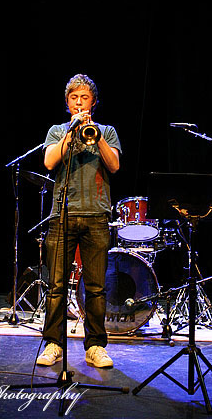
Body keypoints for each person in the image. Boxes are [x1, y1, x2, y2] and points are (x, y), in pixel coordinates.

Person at [37, 74, 121, 369]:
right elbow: (48, 162)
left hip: (97, 215)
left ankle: (95, 346)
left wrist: (95, 136)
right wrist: (71, 134)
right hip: (61, 215)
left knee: (96, 287)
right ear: (67, 102)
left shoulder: (106, 131)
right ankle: (54, 344)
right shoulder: (58, 131)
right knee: (56, 285)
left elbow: (114, 165)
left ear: (93, 103)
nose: (79, 103)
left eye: (84, 98)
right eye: (74, 98)